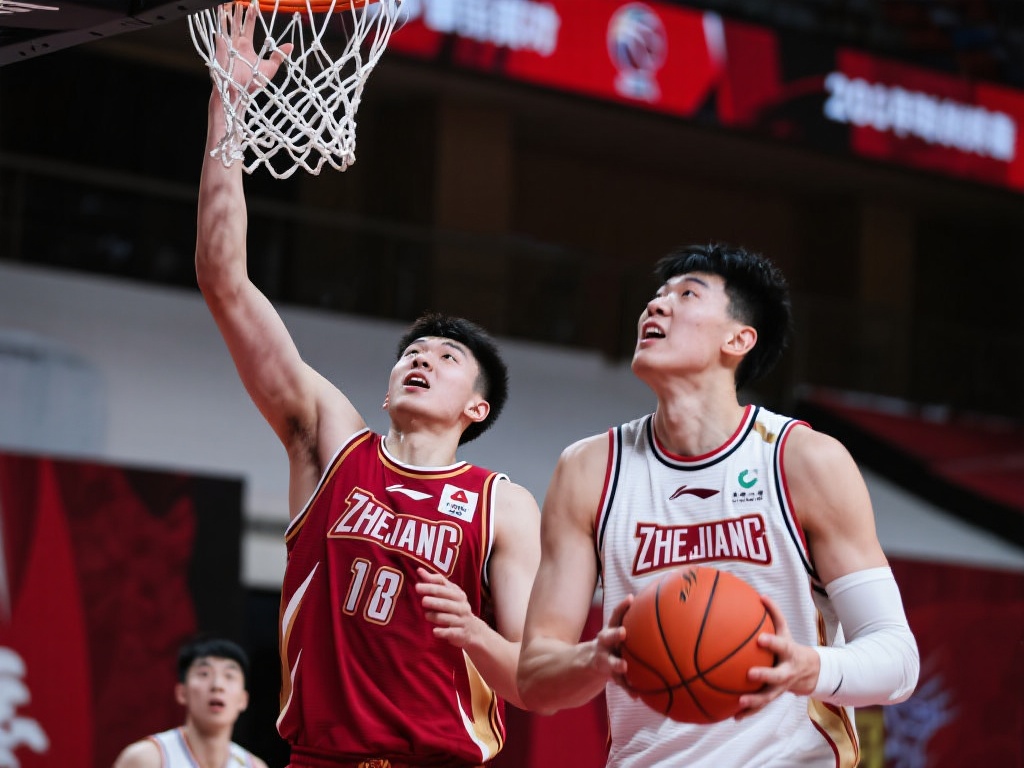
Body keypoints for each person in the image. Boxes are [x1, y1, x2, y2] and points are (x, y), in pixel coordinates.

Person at [193, 5, 541, 766]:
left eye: (447, 357)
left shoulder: (504, 505)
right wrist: (230, 108)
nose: (423, 358)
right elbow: (225, 283)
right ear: (386, 392)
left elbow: (528, 681)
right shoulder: (333, 446)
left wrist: (472, 631)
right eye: (413, 350)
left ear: (476, 407)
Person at [517, 243, 920, 766]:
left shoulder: (804, 460)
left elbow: (898, 659)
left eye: (687, 295)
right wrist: (596, 658)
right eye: (656, 296)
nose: (656, 306)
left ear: (739, 339)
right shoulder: (589, 469)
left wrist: (808, 667)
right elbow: (536, 678)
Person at [112, 636, 267, 768]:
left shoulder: (254, 766)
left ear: (243, 700)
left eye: (229, 676)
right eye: (204, 674)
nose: (217, 685)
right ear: (182, 693)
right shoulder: (146, 759)